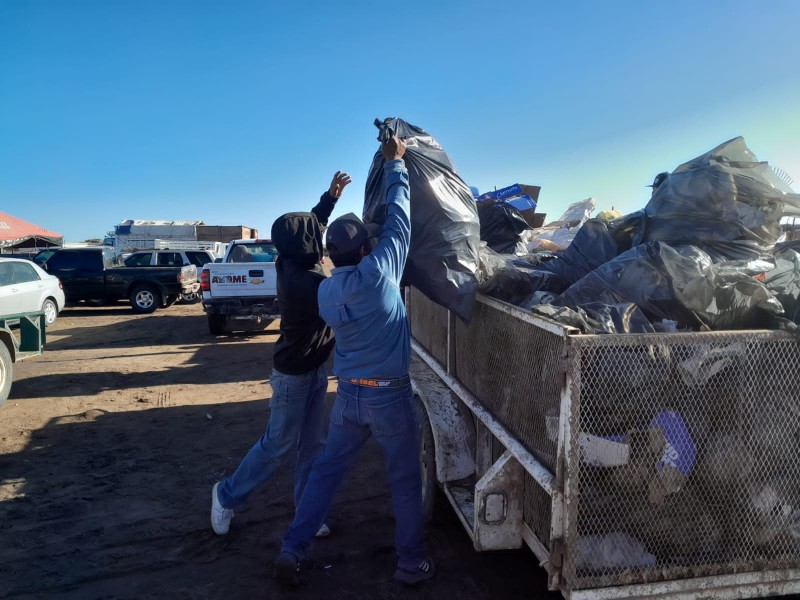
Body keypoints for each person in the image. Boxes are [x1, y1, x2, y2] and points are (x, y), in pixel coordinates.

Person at [274, 136, 434, 586]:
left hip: (348, 399)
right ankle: (410, 562)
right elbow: (401, 217)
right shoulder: (382, 272)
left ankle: (292, 548)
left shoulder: (325, 289)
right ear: (367, 247)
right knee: (404, 481)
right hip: (389, 398)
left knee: (325, 475)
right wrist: (395, 165)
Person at [210, 171, 352, 538]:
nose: (319, 237)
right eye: (314, 236)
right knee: (278, 445)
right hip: (294, 377)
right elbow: (350, 297)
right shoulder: (310, 282)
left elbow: (311, 224)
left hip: (314, 369)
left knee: (312, 446)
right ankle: (225, 496)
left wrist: (330, 198)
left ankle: (306, 510)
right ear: (306, 243)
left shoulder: (288, 260)